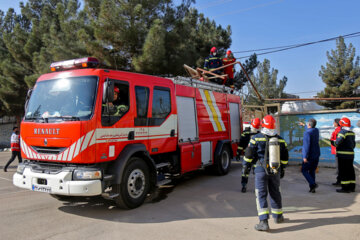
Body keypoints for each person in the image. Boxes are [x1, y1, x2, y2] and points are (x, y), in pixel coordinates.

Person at [244, 115, 288, 231]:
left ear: (263, 124)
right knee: (275, 192)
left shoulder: (256, 138)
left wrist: (246, 167)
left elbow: (249, 155)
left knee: (261, 194)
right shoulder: (281, 139)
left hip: (260, 170)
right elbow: (285, 157)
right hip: (275, 170)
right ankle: (278, 217)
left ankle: (263, 222)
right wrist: (282, 168)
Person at [331, 117, 356, 193]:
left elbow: (337, 143)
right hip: (351, 155)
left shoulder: (342, 132)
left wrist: (332, 142)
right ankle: (352, 187)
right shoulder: (352, 133)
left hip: (343, 155)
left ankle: (345, 188)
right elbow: (353, 144)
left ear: (342, 123)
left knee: (343, 171)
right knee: (350, 171)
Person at [240, 118, 261, 193]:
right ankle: (244, 185)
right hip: (249, 155)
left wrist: (238, 152)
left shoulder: (260, 134)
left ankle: (256, 187)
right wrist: (238, 152)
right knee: (246, 170)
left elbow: (241, 143)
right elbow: (241, 143)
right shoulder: (246, 132)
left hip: (255, 156)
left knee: (253, 171)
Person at [301, 118, 320, 193]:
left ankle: (313, 184)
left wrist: (305, 157)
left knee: (304, 170)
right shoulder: (316, 130)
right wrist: (304, 125)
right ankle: (312, 188)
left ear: (309, 124)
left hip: (309, 156)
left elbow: (306, 146)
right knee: (312, 171)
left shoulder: (307, 133)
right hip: (316, 155)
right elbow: (310, 129)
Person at [330, 118, 341, 186]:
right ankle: (338, 180)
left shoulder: (338, 130)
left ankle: (339, 181)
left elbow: (337, 141)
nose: (333, 123)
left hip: (337, 150)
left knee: (339, 166)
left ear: (337, 123)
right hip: (336, 150)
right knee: (338, 166)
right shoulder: (337, 130)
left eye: (334, 122)